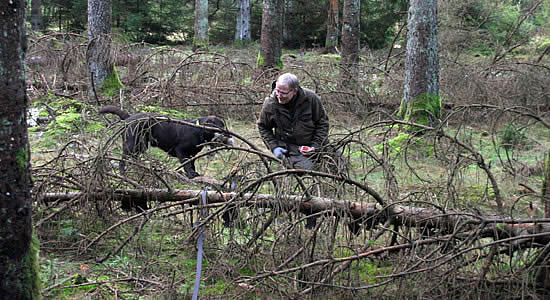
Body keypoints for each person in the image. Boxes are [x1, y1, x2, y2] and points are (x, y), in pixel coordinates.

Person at [257, 72, 330, 229]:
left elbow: (323, 123)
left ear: (294, 91)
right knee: (306, 174)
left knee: (335, 171)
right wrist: (275, 147)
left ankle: (326, 210)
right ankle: (305, 215)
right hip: (289, 148)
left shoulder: (311, 99)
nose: (279, 95)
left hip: (313, 144)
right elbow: (263, 127)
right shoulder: (270, 103)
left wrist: (315, 146)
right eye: (277, 91)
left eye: (283, 93)